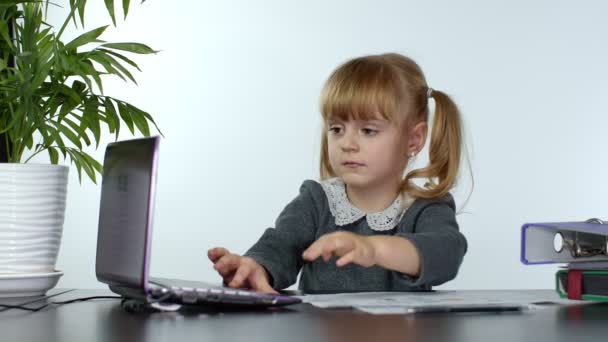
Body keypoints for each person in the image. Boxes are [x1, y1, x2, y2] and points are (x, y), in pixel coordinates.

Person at [208, 53, 469, 294]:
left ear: (413, 140)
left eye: (368, 130)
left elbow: (446, 252)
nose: (347, 144)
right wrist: (257, 267)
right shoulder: (316, 200)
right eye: (337, 129)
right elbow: (280, 245)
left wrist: (373, 249)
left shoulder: (425, 207)